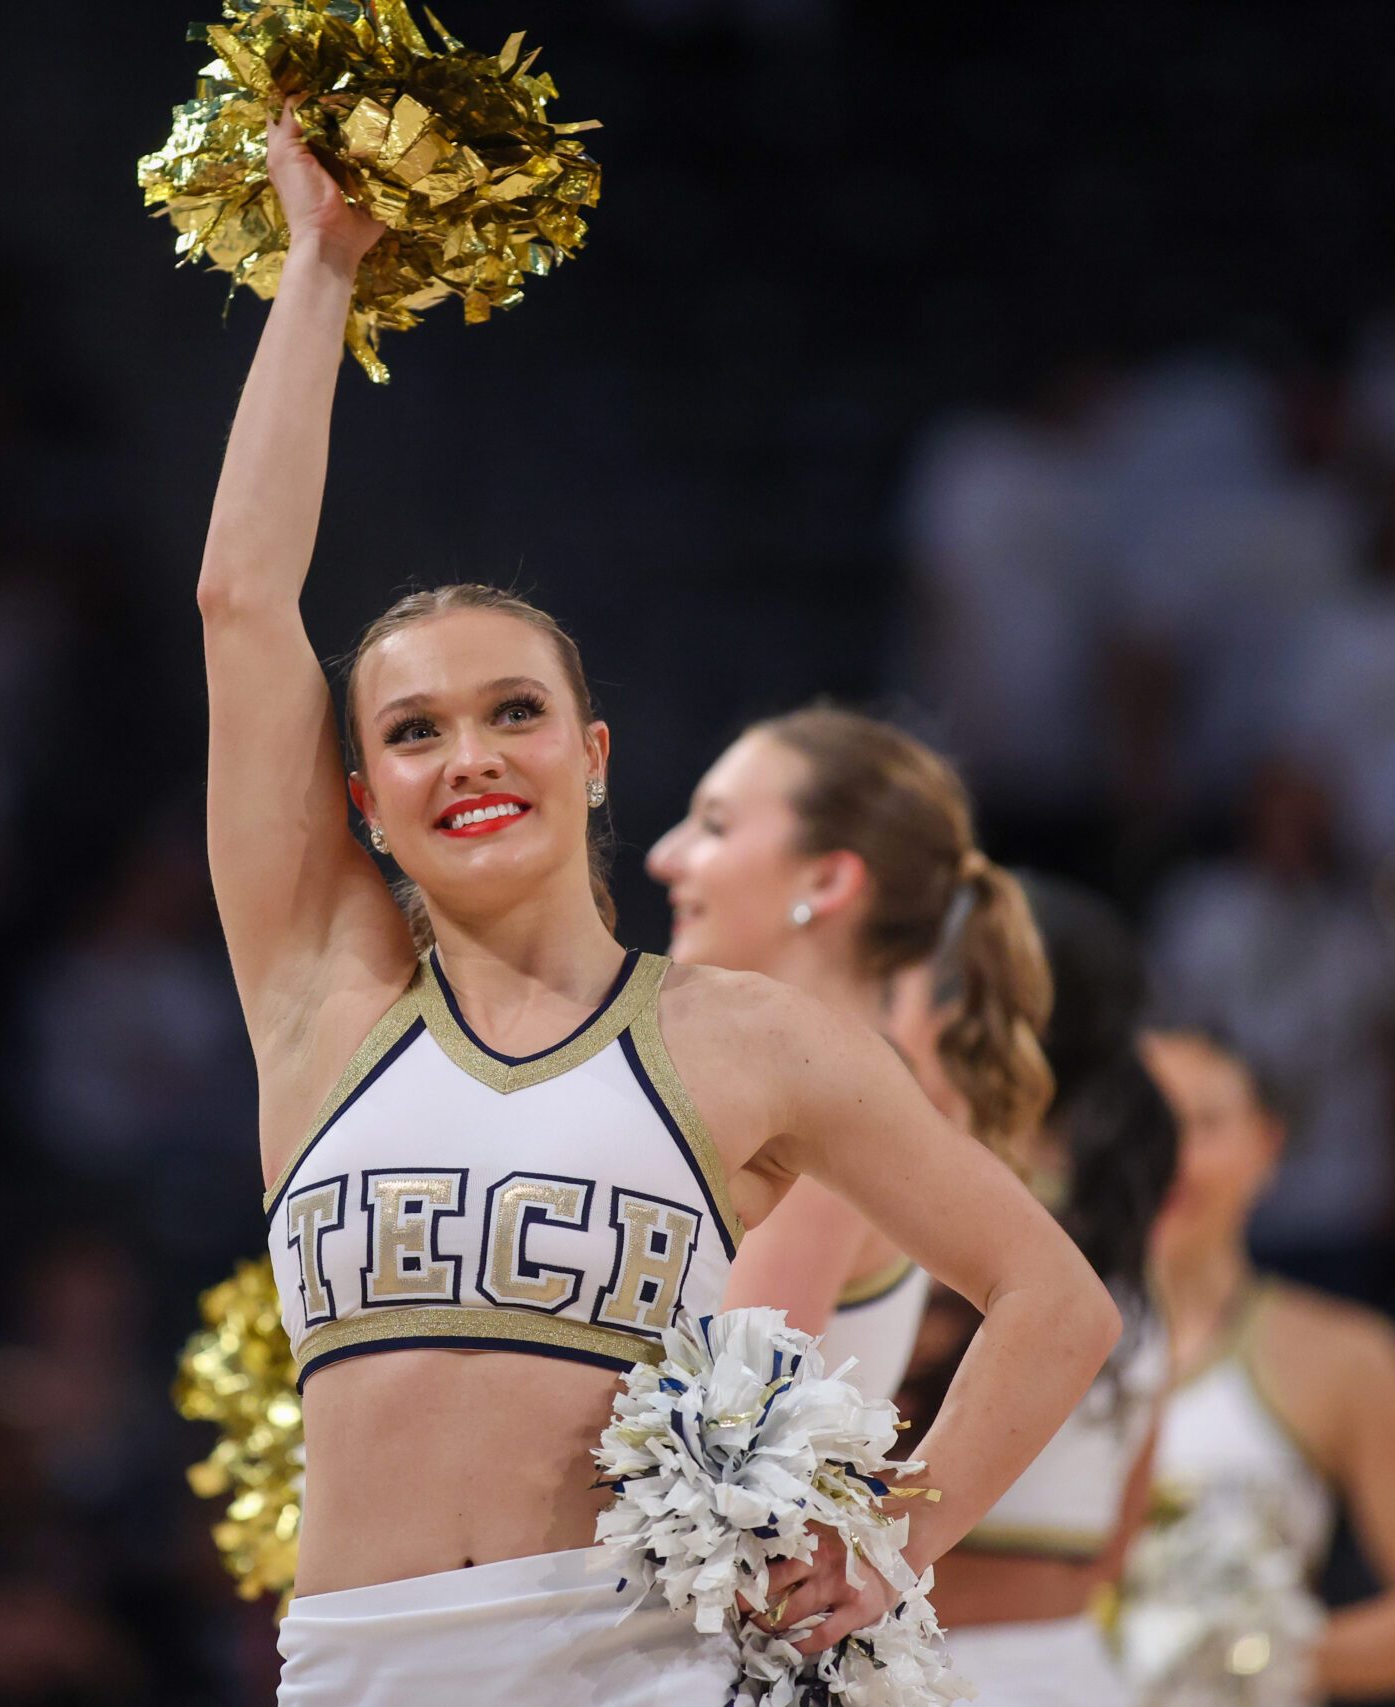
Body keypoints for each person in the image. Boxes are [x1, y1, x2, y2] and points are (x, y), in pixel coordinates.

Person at [206, 100, 1121, 1705]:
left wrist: (896, 1537)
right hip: (354, 1669)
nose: (467, 754)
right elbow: (240, 601)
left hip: (636, 1670)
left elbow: (1054, 1298)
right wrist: (319, 269)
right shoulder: (318, 994)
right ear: (363, 798)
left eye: (513, 711)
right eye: (411, 729)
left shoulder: (746, 1037)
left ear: (594, 752)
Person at [643, 706, 1055, 1409]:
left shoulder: (827, 1110)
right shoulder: (812, 1088)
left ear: (827, 881)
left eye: (714, 826)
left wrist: (918, 1522)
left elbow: (718, 1429)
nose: (664, 856)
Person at [1137, 1030, 1395, 1703]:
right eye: (1144, 1124)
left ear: (1266, 1144)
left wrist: (1243, 1653)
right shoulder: (1035, 1337)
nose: (1169, 1156)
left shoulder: (1347, 1356)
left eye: (1204, 1124)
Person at [898, 879, 1180, 1706]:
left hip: (931, 1669)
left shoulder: (947, 1223)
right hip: (1070, 1668)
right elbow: (1109, 1551)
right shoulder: (1120, 1219)